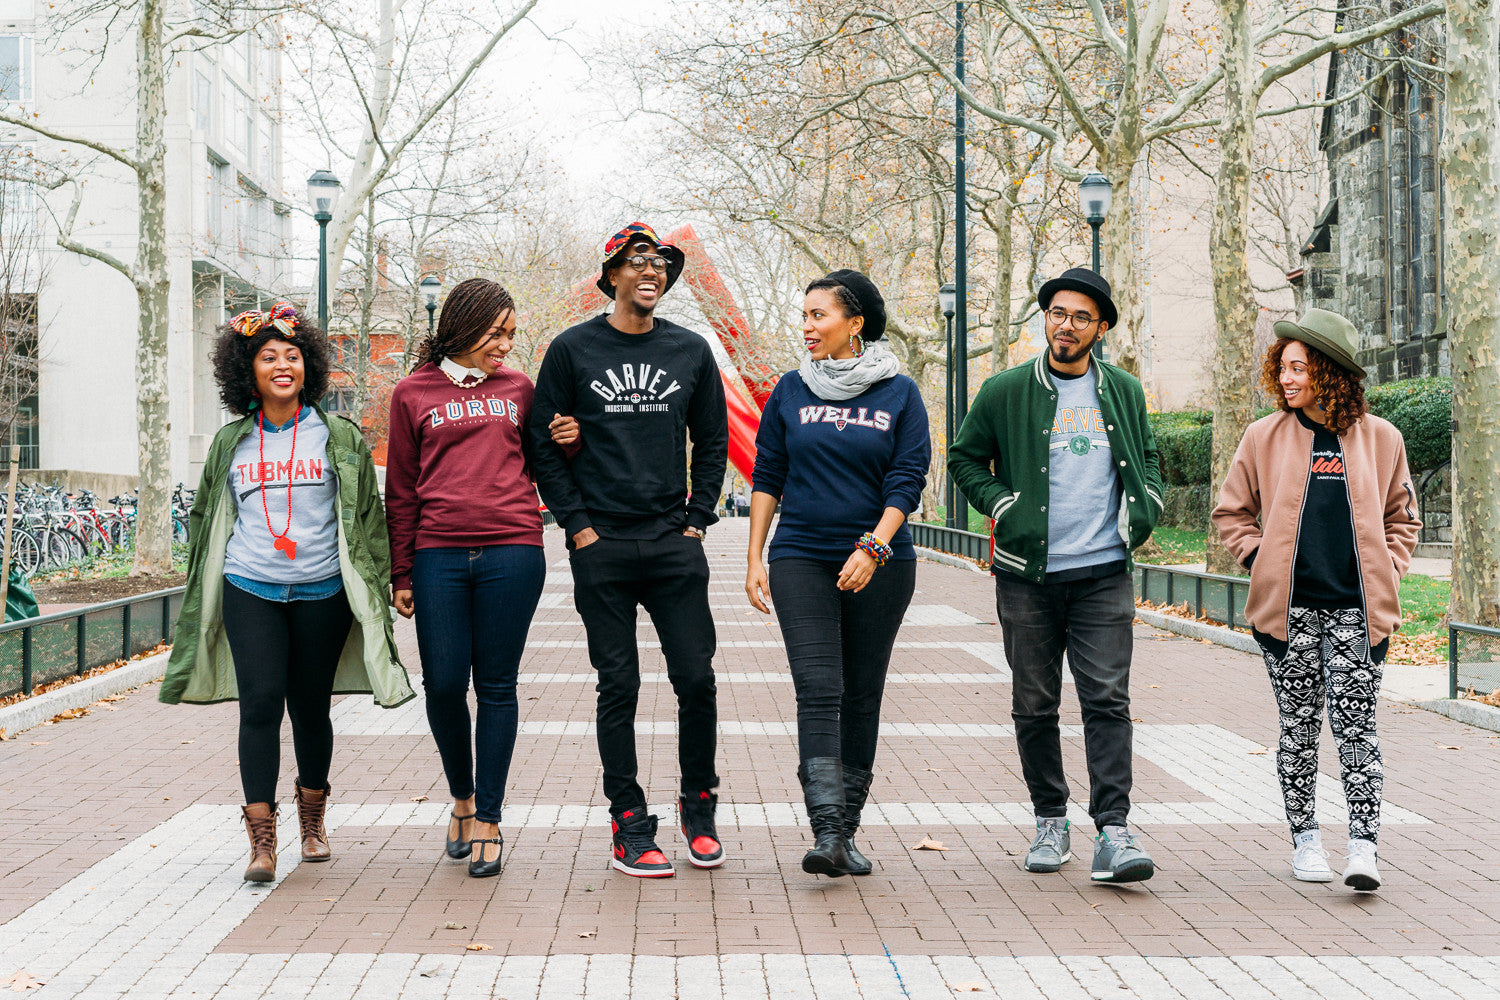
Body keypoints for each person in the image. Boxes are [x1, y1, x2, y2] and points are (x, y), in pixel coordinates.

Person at [160, 302, 414, 882]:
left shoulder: (340, 435)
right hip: (250, 587)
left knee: (310, 709)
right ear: (246, 371)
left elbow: (368, 519)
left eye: (292, 356)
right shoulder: (231, 442)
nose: (281, 365)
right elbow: (205, 519)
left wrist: (385, 583)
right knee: (260, 704)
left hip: (323, 589)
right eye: (268, 357)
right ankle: (262, 841)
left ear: (309, 368)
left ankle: (312, 821)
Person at [948, 267, 1164, 884]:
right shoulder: (1006, 389)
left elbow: (1145, 454)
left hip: (1102, 573)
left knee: (1106, 699)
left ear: (1099, 329)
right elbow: (965, 458)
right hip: (1026, 577)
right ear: (1045, 320)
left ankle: (1114, 831)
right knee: (1035, 703)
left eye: (1079, 317)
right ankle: (1050, 816)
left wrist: (1146, 500)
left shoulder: (1122, 388)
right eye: (1056, 314)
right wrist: (1002, 505)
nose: (1065, 325)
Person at [530, 222, 730, 878]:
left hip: (673, 542)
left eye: (662, 263)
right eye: (638, 261)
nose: (653, 271)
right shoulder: (571, 350)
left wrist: (698, 520)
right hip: (603, 545)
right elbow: (542, 444)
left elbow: (713, 439)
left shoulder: (691, 351)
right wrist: (578, 528)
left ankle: (698, 807)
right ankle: (629, 821)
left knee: (696, 679)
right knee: (619, 683)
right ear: (612, 273)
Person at [1212, 308, 1420, 891]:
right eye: (1282, 366)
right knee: (1299, 730)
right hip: (1288, 614)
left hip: (1359, 613)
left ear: (1328, 371)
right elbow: (1232, 511)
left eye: (1299, 367)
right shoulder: (1264, 436)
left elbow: (1404, 518)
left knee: (1358, 729)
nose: (1286, 377)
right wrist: (1261, 562)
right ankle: (1305, 840)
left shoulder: (1382, 439)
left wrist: (1390, 571)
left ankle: (1363, 846)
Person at [745, 270, 930, 877]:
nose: (807, 326)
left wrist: (873, 547)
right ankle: (826, 832)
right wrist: (755, 556)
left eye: (819, 315)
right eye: (804, 315)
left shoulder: (900, 394)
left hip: (881, 563)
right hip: (800, 555)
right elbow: (768, 474)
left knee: (862, 695)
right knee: (819, 689)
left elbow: (907, 479)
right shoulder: (790, 391)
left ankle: (846, 833)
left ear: (855, 324)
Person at [385, 278, 548, 878]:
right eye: (495, 332)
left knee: (497, 685)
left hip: (513, 549)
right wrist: (402, 569)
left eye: (510, 334)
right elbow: (401, 489)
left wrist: (571, 440)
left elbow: (545, 462)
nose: (504, 344)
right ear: (463, 325)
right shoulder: (412, 394)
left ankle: (490, 818)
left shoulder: (520, 390)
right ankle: (462, 795)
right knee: (446, 685)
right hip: (438, 557)